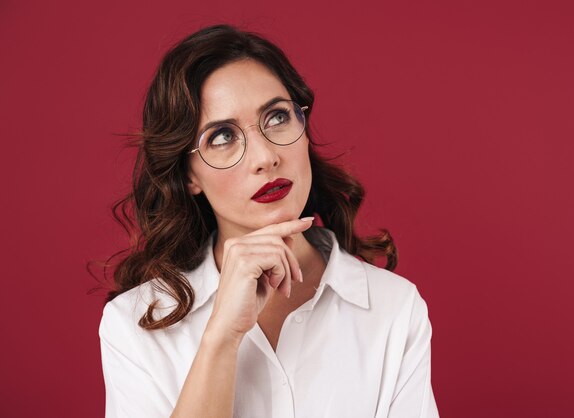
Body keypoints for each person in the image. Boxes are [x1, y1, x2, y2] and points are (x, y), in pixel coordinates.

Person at [98, 24, 439, 418]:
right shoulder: (138, 324)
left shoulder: (393, 308)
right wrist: (221, 337)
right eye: (222, 136)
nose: (264, 157)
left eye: (277, 117)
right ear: (189, 175)